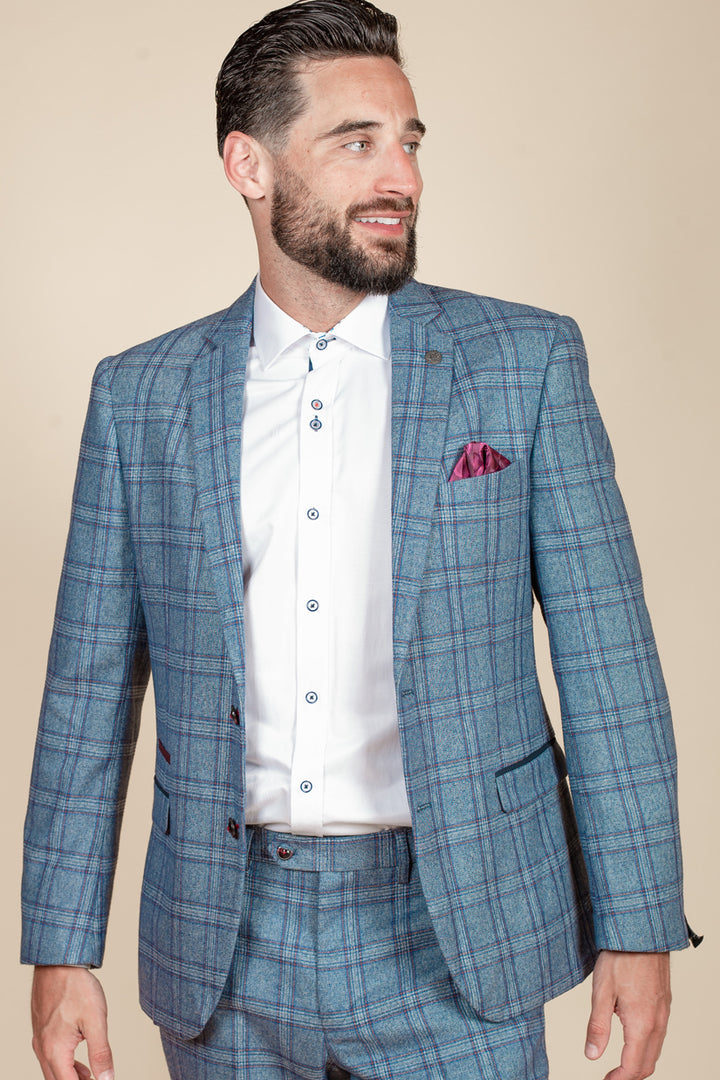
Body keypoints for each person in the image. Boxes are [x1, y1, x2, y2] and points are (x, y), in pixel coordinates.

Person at [22, 2, 698, 1078]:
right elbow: (87, 689)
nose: (403, 178)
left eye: (410, 141)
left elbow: (610, 670)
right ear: (249, 164)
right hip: (223, 939)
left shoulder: (524, 367)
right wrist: (61, 949)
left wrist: (640, 920)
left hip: (459, 928)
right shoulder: (140, 397)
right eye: (357, 142)